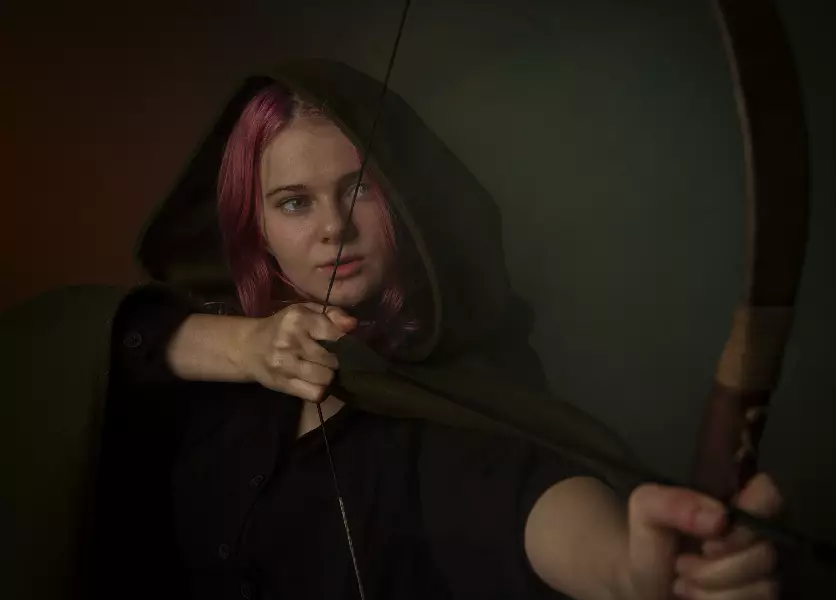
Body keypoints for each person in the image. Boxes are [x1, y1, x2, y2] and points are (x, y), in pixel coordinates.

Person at [10, 60, 783, 600]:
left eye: (359, 190)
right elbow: (51, 348)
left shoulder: (457, 397)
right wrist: (242, 348)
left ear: (405, 203)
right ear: (256, 230)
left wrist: (631, 570)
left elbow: (531, 499)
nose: (332, 228)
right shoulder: (207, 367)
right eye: (293, 202)